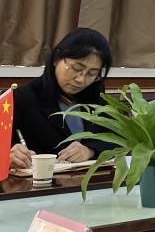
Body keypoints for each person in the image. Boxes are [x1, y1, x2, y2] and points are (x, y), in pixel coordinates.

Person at [8, 28, 114, 171]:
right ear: (56, 59)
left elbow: (119, 141)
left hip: (91, 182)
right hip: (38, 183)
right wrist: (6, 157)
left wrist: (91, 150)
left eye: (91, 74)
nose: (81, 80)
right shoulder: (20, 99)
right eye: (76, 68)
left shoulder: (97, 99)